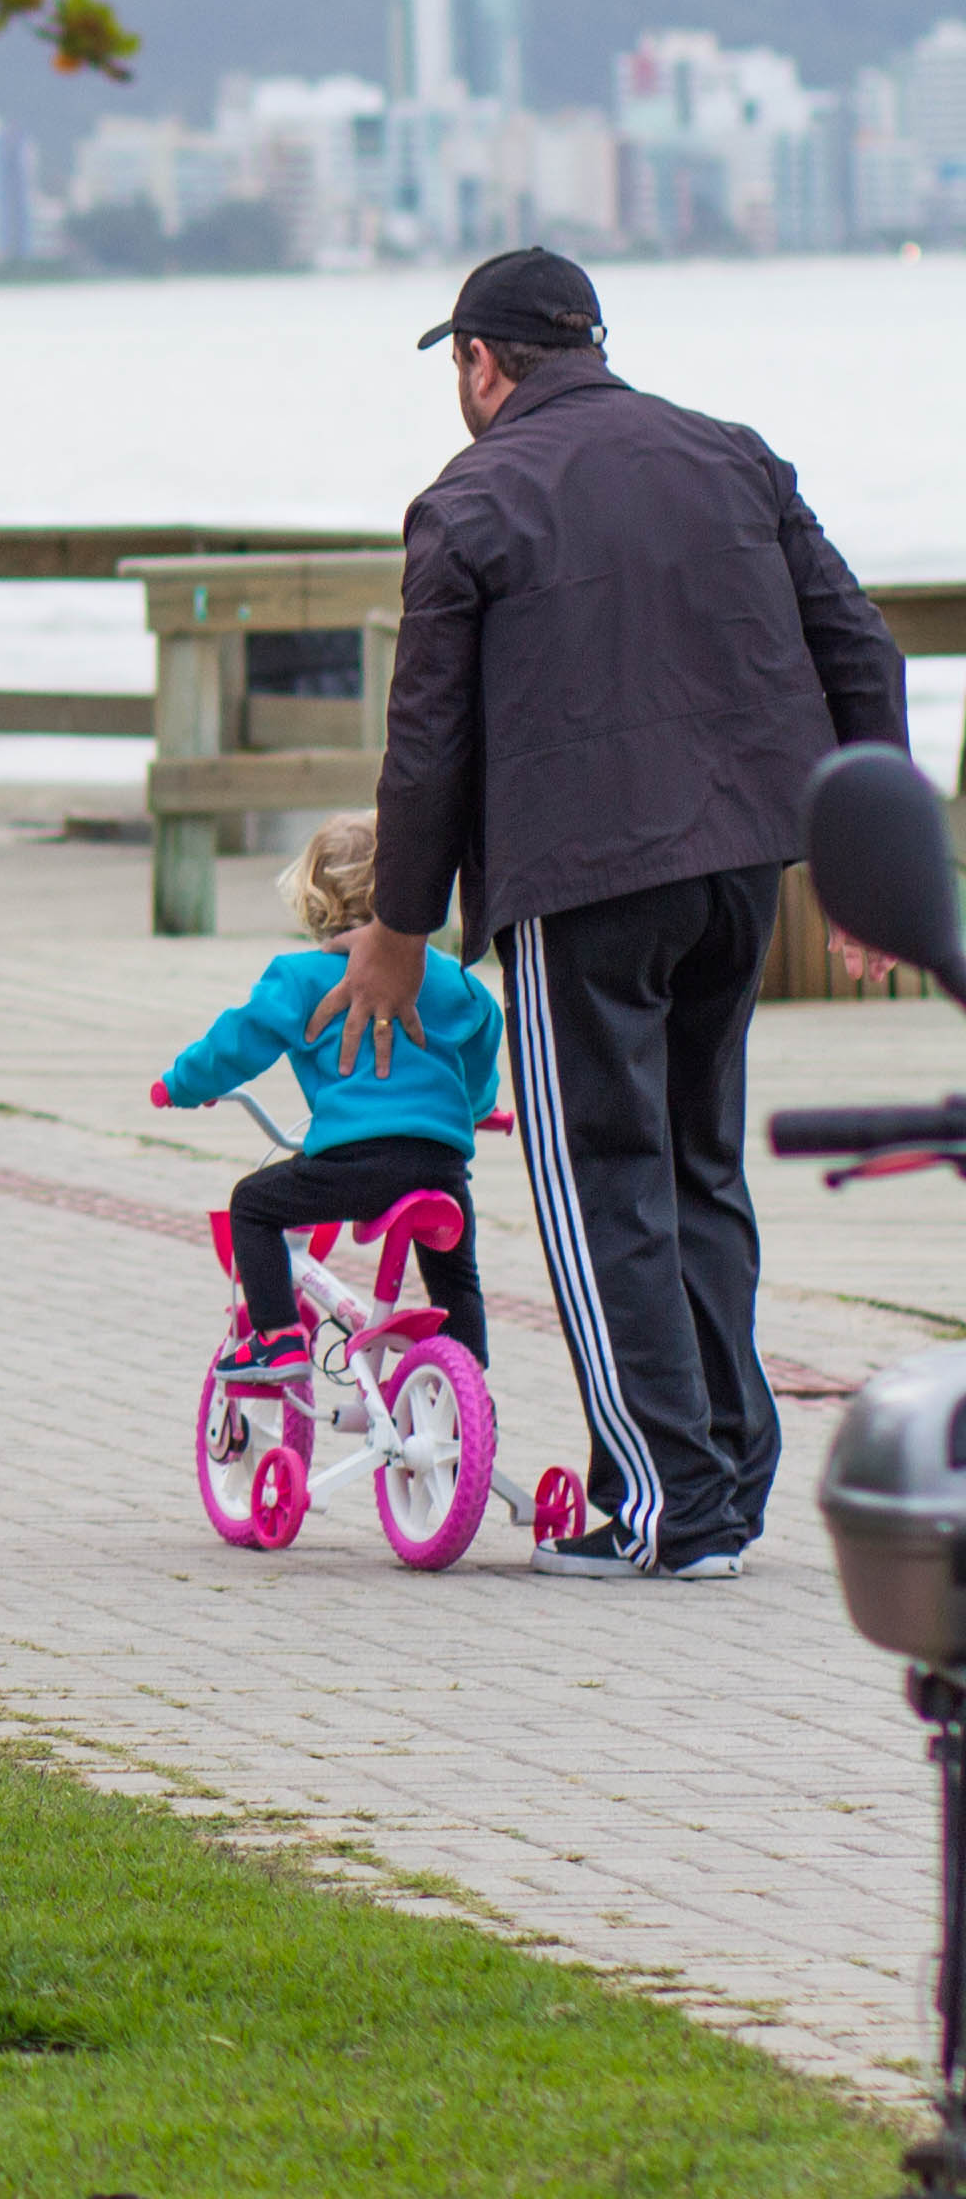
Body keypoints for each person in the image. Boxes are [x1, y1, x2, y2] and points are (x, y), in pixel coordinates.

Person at [325, 245, 906, 1579]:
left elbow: (426, 748)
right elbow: (859, 649)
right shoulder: (733, 456)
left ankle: (664, 1505)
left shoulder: (467, 504)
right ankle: (724, 1484)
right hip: (740, 872)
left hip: (581, 881)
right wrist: (875, 873)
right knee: (700, 1166)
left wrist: (398, 934)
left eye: (458, 364)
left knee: (600, 1191)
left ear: (480, 362)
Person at [154, 812, 499, 1375]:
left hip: (355, 1163)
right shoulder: (452, 979)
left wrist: (182, 1085)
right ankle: (468, 1390)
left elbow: (236, 1043)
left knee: (253, 1205)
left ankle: (277, 1336)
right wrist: (479, 1105)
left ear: (316, 901)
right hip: (441, 1164)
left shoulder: (300, 978)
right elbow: (485, 1034)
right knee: (457, 1278)